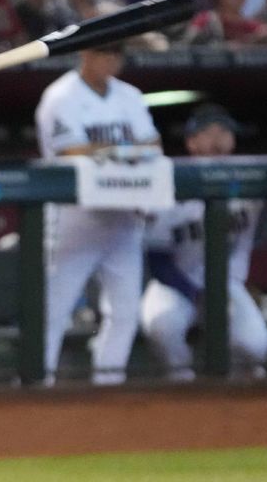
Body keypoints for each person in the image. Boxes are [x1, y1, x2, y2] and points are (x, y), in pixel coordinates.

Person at [35, 41, 162, 386]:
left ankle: (109, 384)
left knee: (125, 313)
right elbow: (71, 151)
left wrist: (105, 152)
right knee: (53, 313)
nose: (109, 59)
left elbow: (153, 146)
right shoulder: (60, 96)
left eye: (115, 53)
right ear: (84, 54)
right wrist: (126, 150)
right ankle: (37, 386)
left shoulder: (130, 96)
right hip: (74, 218)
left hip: (122, 218)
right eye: (102, 52)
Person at [140, 104, 267, 381]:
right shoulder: (169, 181)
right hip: (176, 283)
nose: (218, 140)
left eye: (224, 132)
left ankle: (231, 390)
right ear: (191, 142)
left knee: (256, 345)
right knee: (161, 325)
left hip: (227, 284)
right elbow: (157, 260)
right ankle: (184, 383)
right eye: (208, 133)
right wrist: (194, 293)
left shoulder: (253, 176)